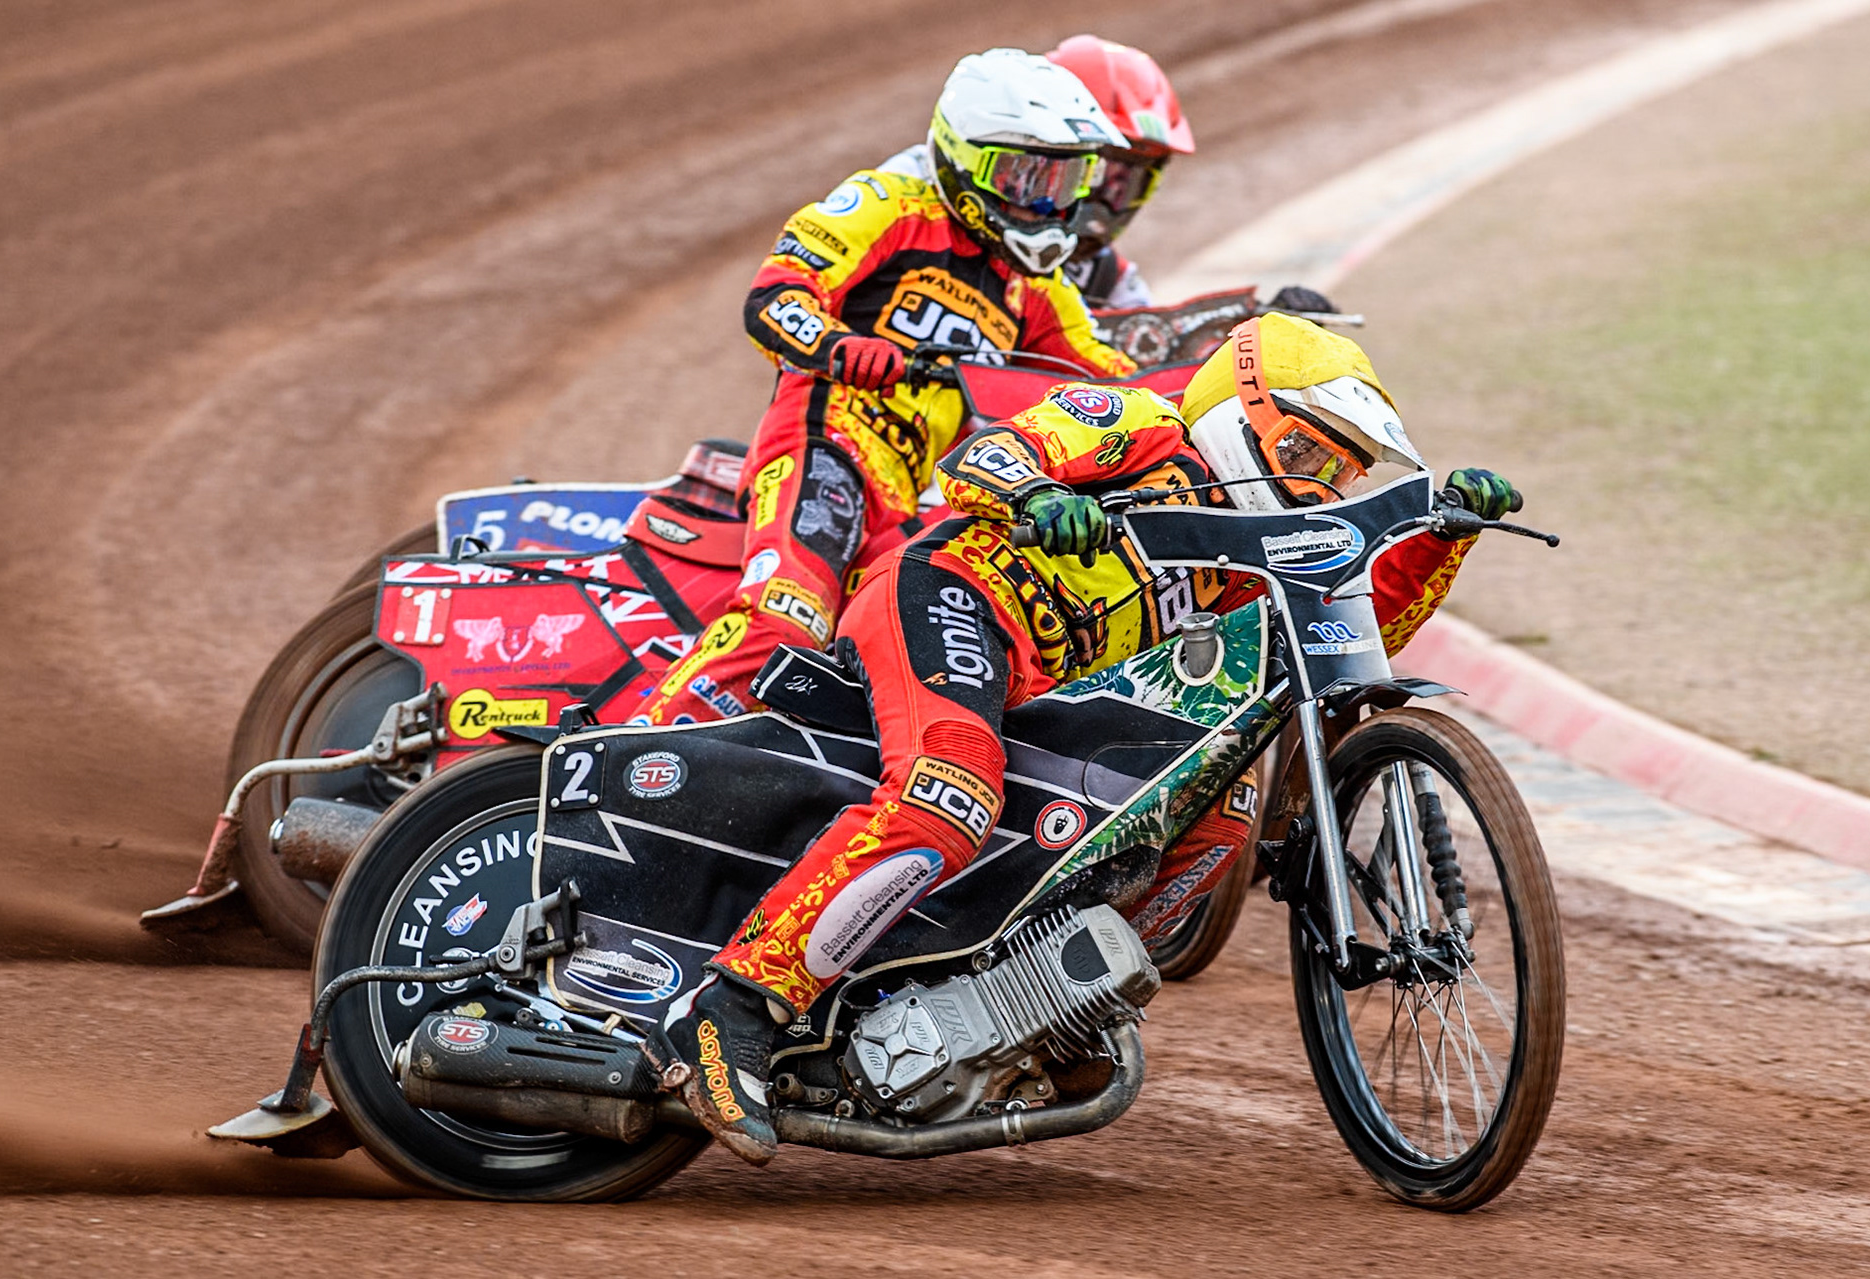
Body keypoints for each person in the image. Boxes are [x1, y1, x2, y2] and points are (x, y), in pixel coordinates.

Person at [649, 313, 1524, 1164]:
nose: (1315, 483)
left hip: (1052, 689)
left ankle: (1040, 1006)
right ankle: (737, 1009)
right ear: (1238, 413)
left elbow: (1361, 634)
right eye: (1303, 452)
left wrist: (1443, 538)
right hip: (956, 597)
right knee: (948, 794)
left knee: (1219, 816)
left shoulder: (1260, 540)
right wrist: (1039, 495)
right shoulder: (1144, 423)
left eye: (1339, 470)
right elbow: (983, 459)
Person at [634, 48, 1136, 728]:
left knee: (933, 638)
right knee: (786, 618)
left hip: (908, 495)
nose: (1044, 202)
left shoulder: (1036, 287)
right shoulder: (889, 205)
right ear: (964, 157)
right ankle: (625, 757)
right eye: (1024, 175)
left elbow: (1110, 381)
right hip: (824, 448)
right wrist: (841, 348)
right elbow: (776, 293)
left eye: (1065, 178)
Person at [884, 35, 1334, 315]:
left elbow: (1156, 349)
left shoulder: (1104, 276)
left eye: (1132, 181)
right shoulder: (913, 190)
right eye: (1095, 171)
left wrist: (1258, 332)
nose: (1104, 198)